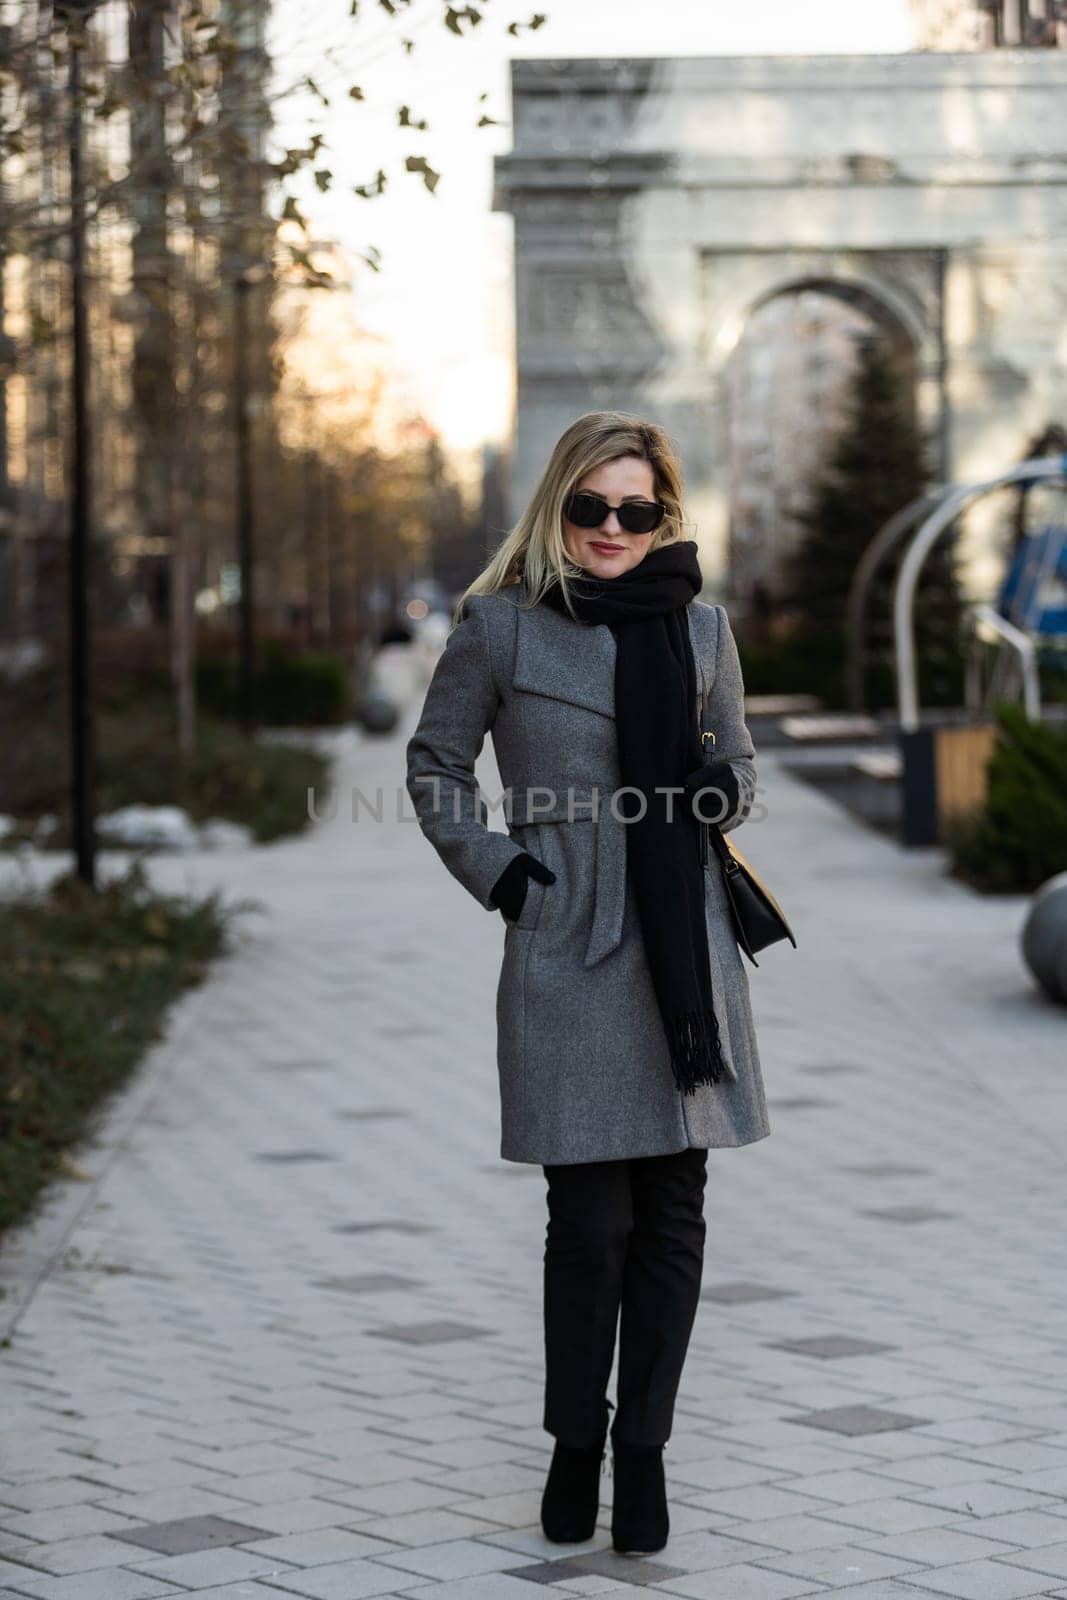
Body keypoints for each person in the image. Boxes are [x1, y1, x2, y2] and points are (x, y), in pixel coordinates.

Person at [405, 411, 771, 1557]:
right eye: (590, 508)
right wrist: (511, 877)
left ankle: (643, 1452)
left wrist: (711, 790)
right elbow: (433, 767)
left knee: (671, 1212)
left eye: (636, 510)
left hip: (682, 947)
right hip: (568, 935)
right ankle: (575, 1438)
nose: (613, 529)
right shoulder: (499, 628)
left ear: (662, 512)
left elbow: (742, 763)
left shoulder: (700, 629)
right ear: (556, 507)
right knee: (588, 1218)